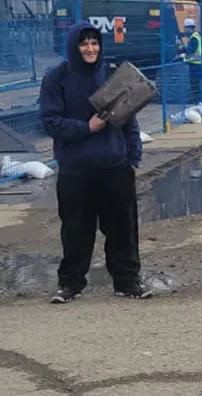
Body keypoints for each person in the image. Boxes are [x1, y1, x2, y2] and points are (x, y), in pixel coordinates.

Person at [40, 22, 152, 302]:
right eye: (83, 43)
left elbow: (129, 118)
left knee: (122, 229)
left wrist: (133, 156)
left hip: (114, 167)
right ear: (73, 47)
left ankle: (127, 281)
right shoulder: (57, 79)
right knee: (76, 230)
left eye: (94, 43)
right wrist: (86, 128)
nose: (90, 49)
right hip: (75, 169)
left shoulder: (112, 75)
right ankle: (70, 284)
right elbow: (50, 122)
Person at [180, 17, 202, 106]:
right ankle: (198, 102)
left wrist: (183, 54)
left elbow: (191, 51)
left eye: (185, 28)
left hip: (195, 64)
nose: (184, 30)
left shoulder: (194, 38)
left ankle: (196, 103)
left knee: (194, 85)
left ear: (189, 28)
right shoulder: (197, 36)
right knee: (196, 84)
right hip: (198, 64)